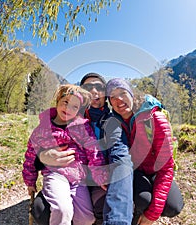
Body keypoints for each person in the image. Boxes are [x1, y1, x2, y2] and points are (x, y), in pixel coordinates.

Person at [34, 73, 134, 225]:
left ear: (105, 95)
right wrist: (42, 156)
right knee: (41, 211)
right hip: (67, 177)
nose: (94, 91)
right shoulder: (69, 116)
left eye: (99, 87)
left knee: (101, 207)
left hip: (98, 181)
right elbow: (37, 145)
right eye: (88, 87)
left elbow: (120, 156)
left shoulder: (112, 122)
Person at [22, 84, 108, 225]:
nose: (68, 109)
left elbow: (93, 150)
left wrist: (99, 176)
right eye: (65, 103)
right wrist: (30, 180)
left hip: (78, 178)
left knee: (87, 218)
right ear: (57, 102)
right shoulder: (43, 128)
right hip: (56, 174)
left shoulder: (81, 127)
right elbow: (31, 155)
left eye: (74, 107)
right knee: (63, 210)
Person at [106, 78, 184, 225]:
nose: (119, 100)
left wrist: (152, 214)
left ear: (132, 94)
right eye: (113, 97)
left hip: (158, 170)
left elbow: (167, 166)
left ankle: (144, 216)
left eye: (122, 93)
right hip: (136, 171)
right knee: (143, 200)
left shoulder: (154, 117)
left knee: (173, 206)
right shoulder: (114, 122)